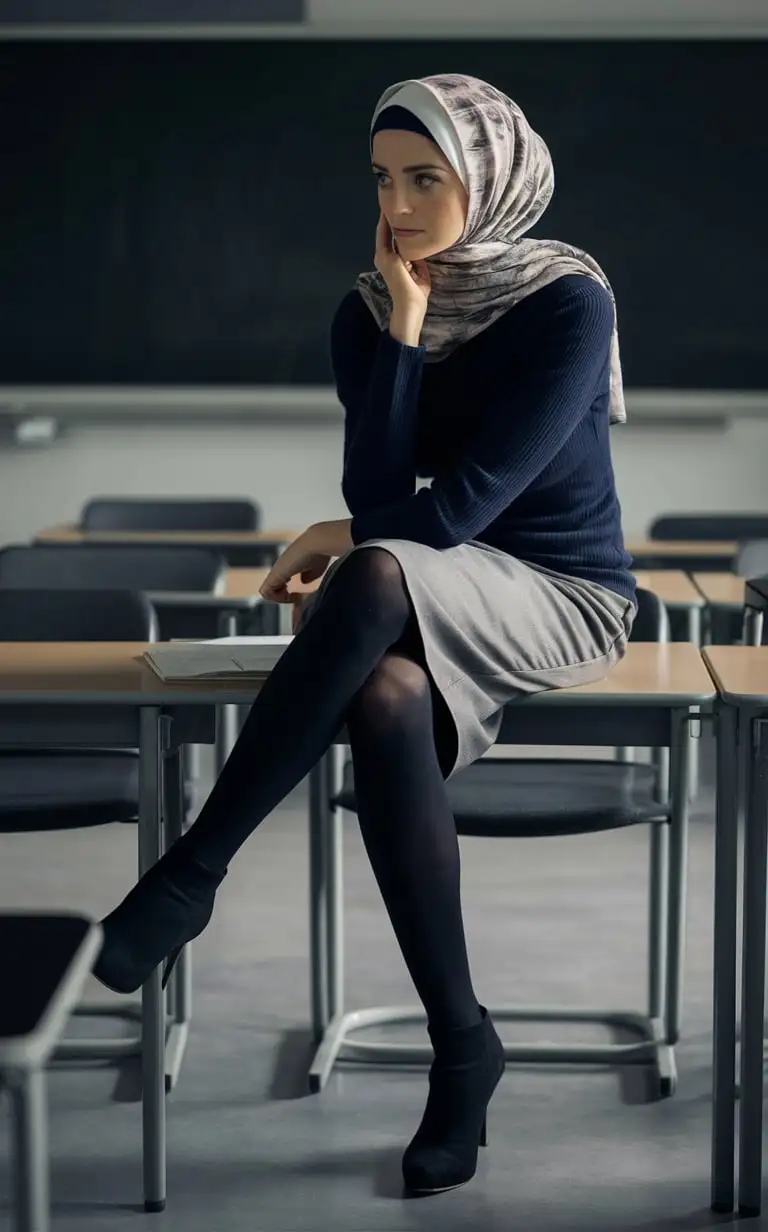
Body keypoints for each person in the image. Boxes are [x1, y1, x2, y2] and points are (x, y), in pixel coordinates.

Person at [94, 73, 637, 1197]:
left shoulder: (569, 300)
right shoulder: (367, 306)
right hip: (434, 577)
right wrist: (402, 325)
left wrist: (344, 534)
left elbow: (460, 506)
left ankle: (192, 872)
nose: (398, 205)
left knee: (375, 563)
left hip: (559, 586)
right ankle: (463, 1044)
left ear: (487, 178)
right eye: (384, 180)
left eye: (426, 179)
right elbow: (382, 481)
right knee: (382, 695)